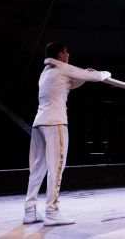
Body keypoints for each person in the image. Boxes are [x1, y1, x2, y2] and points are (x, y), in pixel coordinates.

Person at [23, 42, 111, 226]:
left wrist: (85, 77)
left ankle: (30, 211)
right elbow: (95, 77)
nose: (69, 55)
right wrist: (104, 74)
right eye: (66, 52)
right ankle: (52, 212)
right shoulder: (62, 67)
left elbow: (70, 84)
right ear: (60, 54)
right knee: (56, 167)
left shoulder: (47, 72)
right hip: (55, 123)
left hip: (39, 123)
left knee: (37, 169)